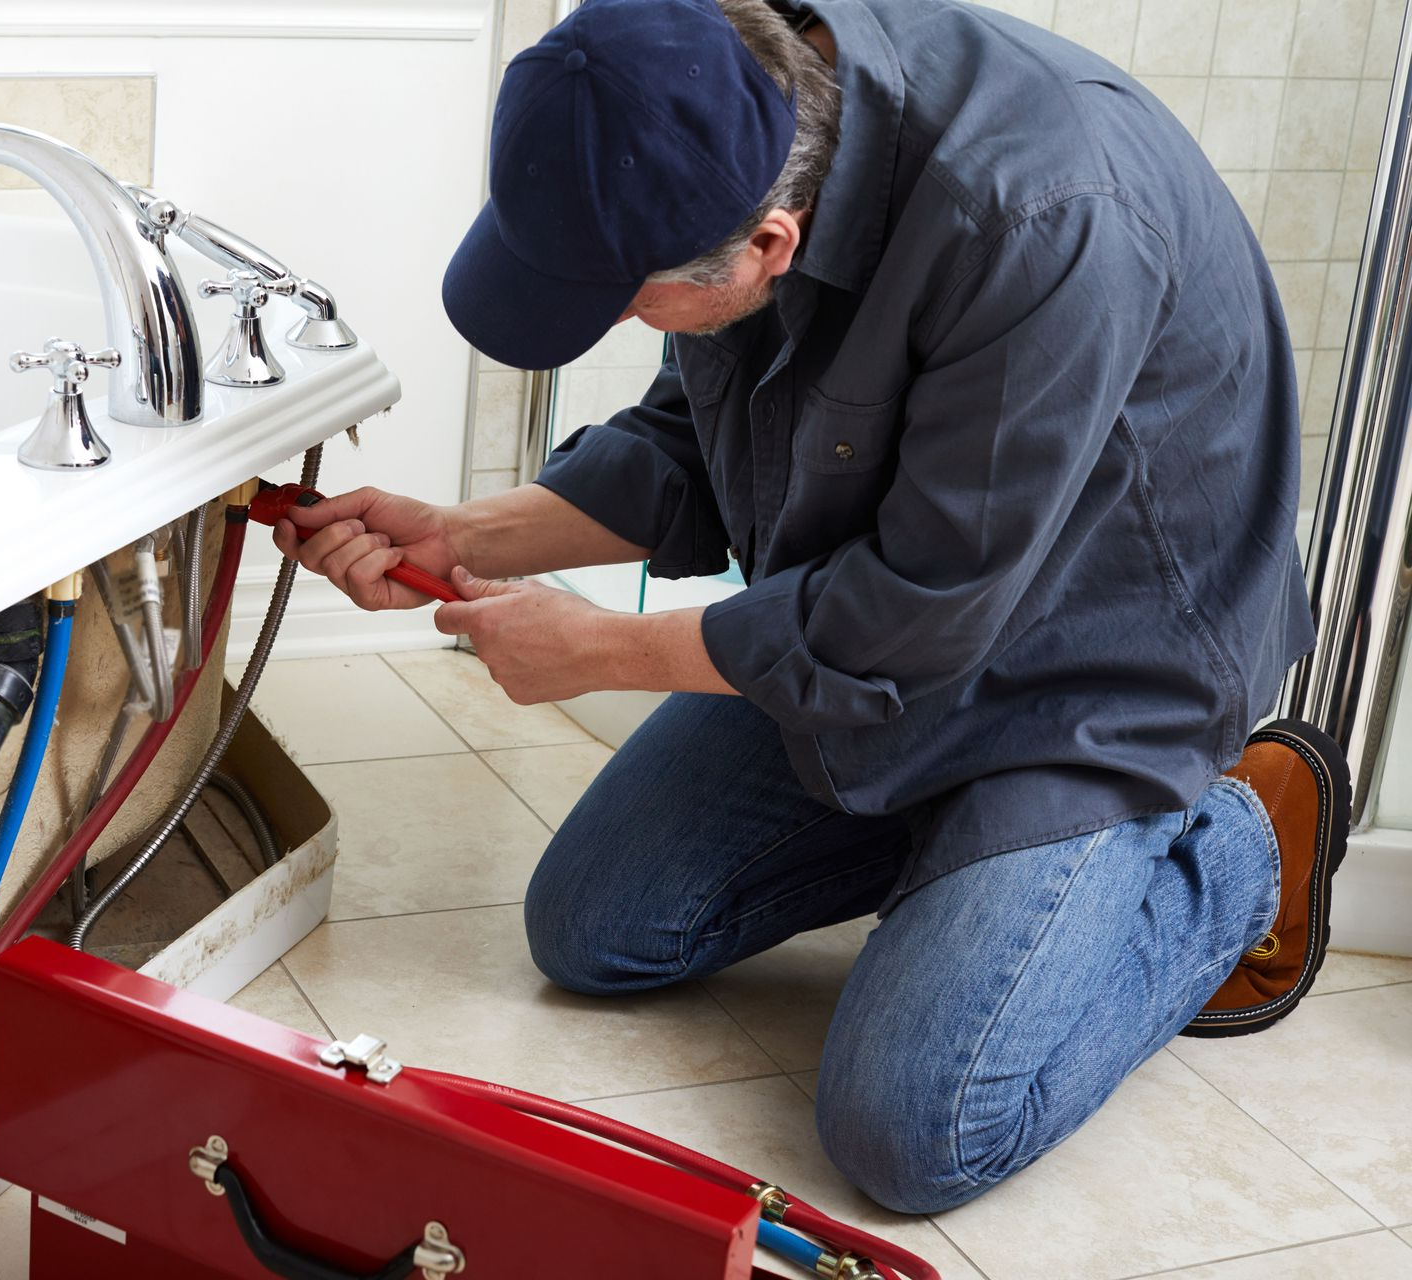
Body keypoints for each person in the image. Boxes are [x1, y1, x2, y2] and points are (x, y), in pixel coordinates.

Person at [275, 0, 1349, 1212]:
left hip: (1085, 674)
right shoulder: (722, 113)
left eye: (630, 301)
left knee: (915, 1130)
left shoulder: (1041, 215)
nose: (625, 321)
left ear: (769, 247)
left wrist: (602, 651)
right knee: (594, 928)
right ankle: (958, 856)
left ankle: (1237, 842)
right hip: (880, 622)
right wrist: (461, 531)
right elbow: (690, 443)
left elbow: (922, 605)